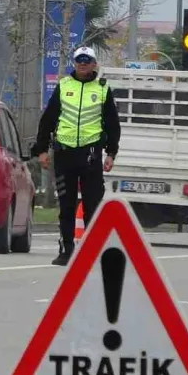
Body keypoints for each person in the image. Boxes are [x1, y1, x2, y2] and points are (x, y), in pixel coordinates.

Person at [31, 45, 121, 266]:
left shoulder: (102, 89)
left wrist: (111, 153)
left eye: (87, 60)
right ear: (74, 63)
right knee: (66, 205)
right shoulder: (63, 86)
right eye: (79, 60)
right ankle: (66, 250)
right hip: (65, 154)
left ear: (94, 64)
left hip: (90, 155)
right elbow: (48, 120)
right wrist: (42, 150)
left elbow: (112, 124)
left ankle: (92, 251)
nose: (83, 64)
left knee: (92, 206)